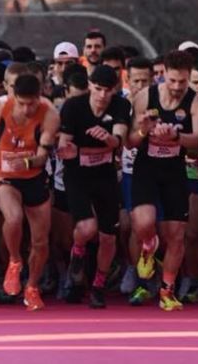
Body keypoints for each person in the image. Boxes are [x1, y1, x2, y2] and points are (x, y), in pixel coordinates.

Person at [128, 50, 198, 312]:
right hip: (146, 169)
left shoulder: (195, 102)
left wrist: (176, 138)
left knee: (176, 235)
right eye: (172, 80)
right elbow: (130, 142)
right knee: (144, 223)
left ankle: (167, 291)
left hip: (174, 171)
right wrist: (143, 130)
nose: (177, 87)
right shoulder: (145, 97)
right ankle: (148, 246)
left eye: (182, 81)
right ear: (163, 76)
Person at [0, 74, 58, 311]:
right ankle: (14, 260)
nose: (26, 109)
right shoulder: (0, 107)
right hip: (5, 175)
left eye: (31, 104)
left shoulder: (50, 115)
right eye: (21, 103)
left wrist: (26, 162)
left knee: (40, 241)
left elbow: (42, 156)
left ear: (39, 97)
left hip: (33, 176)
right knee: (13, 218)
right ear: (14, 97)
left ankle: (32, 287)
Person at [57, 65, 131, 309]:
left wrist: (108, 140)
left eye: (107, 90)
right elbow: (65, 147)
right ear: (89, 85)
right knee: (87, 227)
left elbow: (119, 140)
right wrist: (78, 150)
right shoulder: (73, 106)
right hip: (77, 175)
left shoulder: (120, 105)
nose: (102, 95)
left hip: (105, 175)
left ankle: (98, 285)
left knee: (108, 237)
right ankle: (77, 252)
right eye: (98, 89)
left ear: (115, 90)